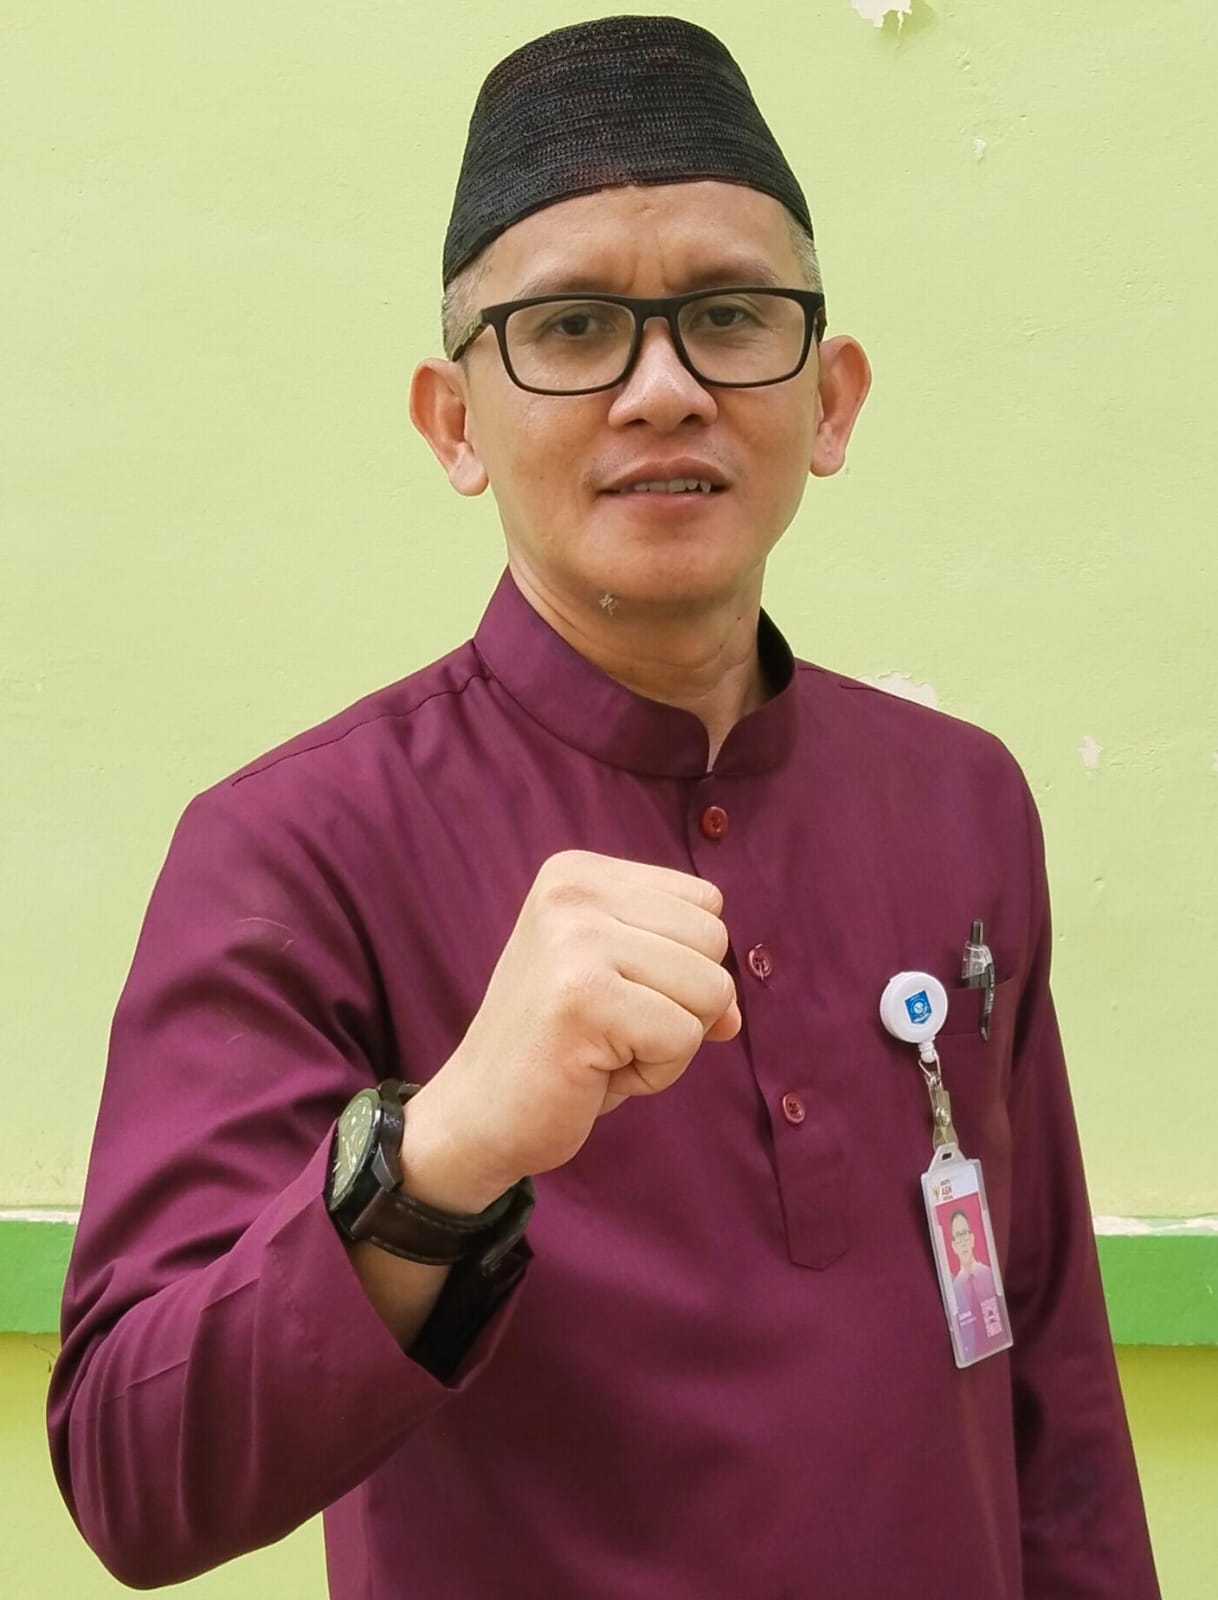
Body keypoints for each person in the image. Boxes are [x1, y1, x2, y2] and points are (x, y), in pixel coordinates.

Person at [48, 15, 1160, 1598]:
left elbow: (1048, 1380)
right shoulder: (296, 850)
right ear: (452, 422)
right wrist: (441, 1153)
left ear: (831, 401)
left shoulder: (957, 800)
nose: (662, 389)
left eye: (729, 315)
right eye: (571, 328)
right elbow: (132, 1481)